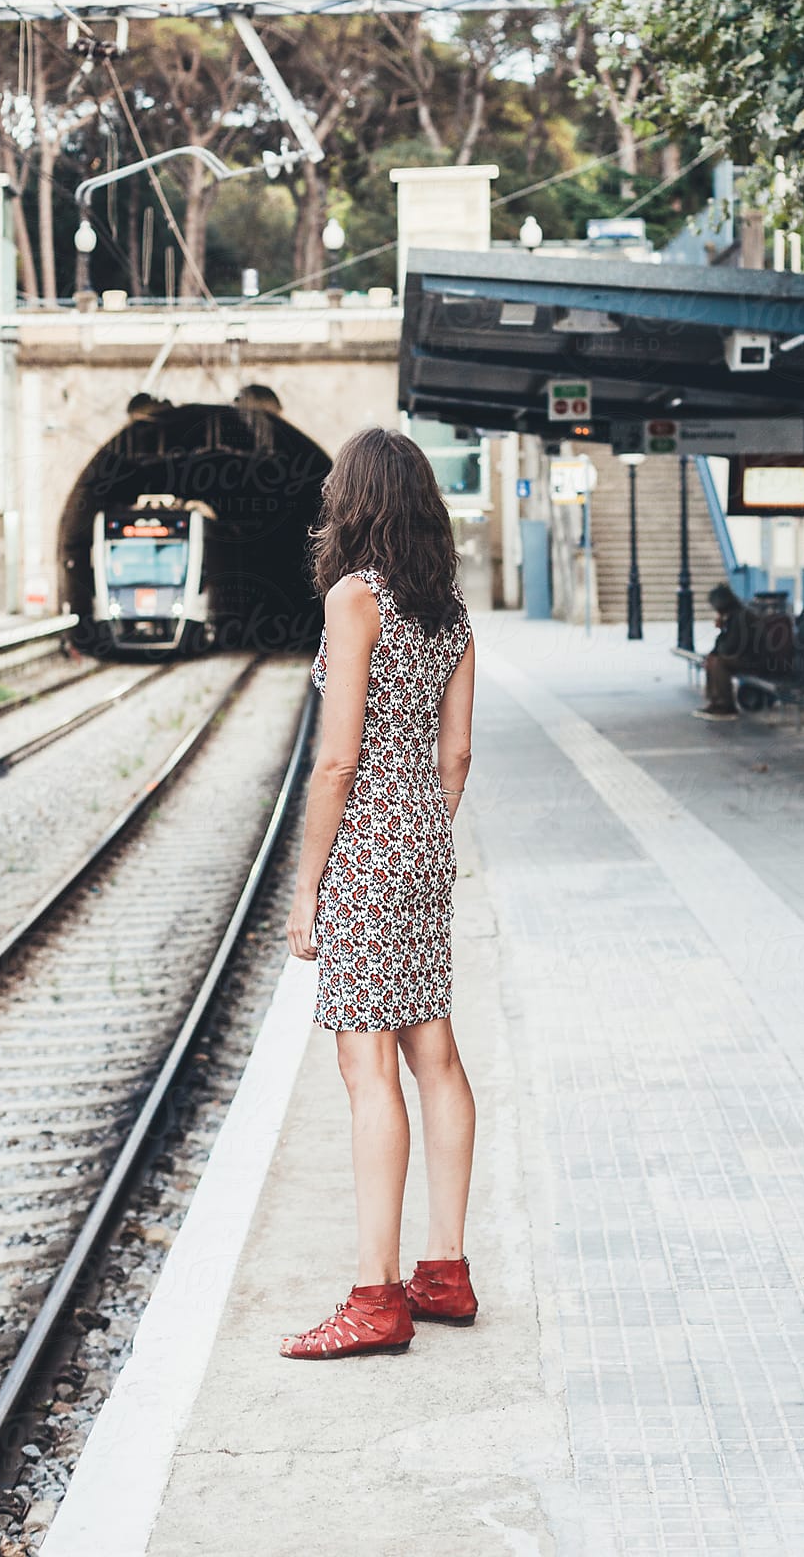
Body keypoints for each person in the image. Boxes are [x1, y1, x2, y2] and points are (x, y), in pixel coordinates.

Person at [281, 427, 477, 1360]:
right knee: (433, 1049)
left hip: (365, 847)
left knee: (367, 1067)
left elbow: (334, 762)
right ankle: (444, 1273)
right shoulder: (452, 616)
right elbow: (459, 753)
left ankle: (374, 1298)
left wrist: (311, 883)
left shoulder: (354, 600)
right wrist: (423, 828)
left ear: (353, 503)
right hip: (427, 844)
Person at [696, 583, 793, 720]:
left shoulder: (740, 617)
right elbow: (723, 648)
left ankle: (726, 705)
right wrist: (713, 651)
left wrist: (722, 629)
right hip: (748, 659)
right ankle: (715, 702)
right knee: (713, 660)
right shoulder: (734, 616)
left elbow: (729, 648)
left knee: (720, 663)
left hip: (757, 662)